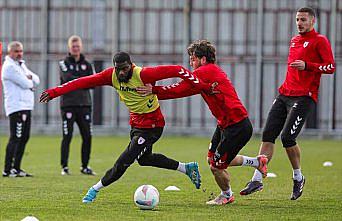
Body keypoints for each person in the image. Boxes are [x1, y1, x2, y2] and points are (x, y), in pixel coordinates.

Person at [40, 51, 211, 203]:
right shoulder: (111, 76)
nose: (122, 72)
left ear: (131, 65)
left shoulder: (144, 74)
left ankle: (95, 189)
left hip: (153, 125)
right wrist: (55, 92)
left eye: (125, 68)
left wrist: (202, 86)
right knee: (144, 159)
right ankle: (186, 168)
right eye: (118, 69)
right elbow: (82, 82)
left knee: (124, 161)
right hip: (136, 124)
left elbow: (177, 70)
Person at [136, 40, 268, 205]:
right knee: (212, 159)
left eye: (193, 58)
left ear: (203, 59)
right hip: (225, 124)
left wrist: (154, 90)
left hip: (237, 127)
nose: (190, 63)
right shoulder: (205, 74)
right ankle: (257, 162)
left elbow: (180, 89)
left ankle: (226, 195)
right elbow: (186, 89)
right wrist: (157, 91)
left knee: (216, 167)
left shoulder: (206, 71)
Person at [239, 7, 335, 200]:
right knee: (267, 135)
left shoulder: (320, 40)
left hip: (304, 97)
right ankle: (257, 179)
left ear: (312, 22)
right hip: (284, 94)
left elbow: (331, 67)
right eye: (298, 19)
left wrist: (308, 66)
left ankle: (298, 177)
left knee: (287, 138)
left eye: (303, 20)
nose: (299, 23)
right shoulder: (294, 40)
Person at [1, 41, 40, 177]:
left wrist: (29, 79)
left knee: (24, 137)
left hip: (26, 106)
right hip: (16, 107)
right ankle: (7, 169)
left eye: (21, 51)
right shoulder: (9, 67)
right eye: (16, 51)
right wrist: (29, 80)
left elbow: (37, 79)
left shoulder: (21, 65)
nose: (19, 54)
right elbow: (26, 83)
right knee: (15, 138)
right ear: (10, 52)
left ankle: (16, 168)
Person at [59, 35, 95, 176]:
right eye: (73, 46)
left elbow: (93, 82)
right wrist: (83, 80)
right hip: (68, 105)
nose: (76, 48)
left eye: (78, 46)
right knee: (67, 136)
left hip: (85, 105)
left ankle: (85, 166)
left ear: (81, 47)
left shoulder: (88, 64)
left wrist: (78, 81)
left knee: (87, 136)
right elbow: (67, 79)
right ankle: (64, 166)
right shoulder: (63, 63)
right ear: (69, 48)